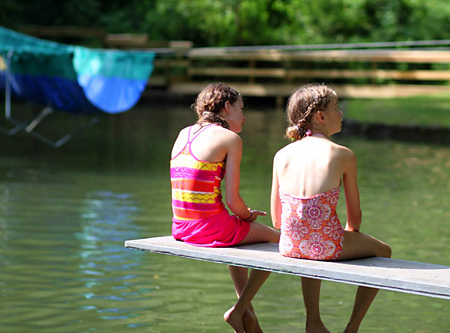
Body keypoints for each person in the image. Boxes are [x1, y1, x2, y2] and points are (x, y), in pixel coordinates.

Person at [270, 83, 391, 333]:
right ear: (321, 116)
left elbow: (277, 221)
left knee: (310, 239)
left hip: (289, 245)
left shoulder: (281, 154)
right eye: (337, 108)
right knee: (385, 251)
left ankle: (313, 319)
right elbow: (355, 220)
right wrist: (346, 234)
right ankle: (352, 328)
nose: (342, 113)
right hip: (325, 245)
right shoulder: (343, 154)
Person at [170, 82, 280, 333]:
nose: (244, 116)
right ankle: (240, 309)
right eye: (241, 109)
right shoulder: (230, 138)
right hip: (208, 228)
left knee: (239, 233)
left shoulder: (183, 133)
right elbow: (233, 202)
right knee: (282, 242)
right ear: (227, 107)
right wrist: (249, 215)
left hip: (180, 227)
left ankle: (249, 316)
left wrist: (242, 219)